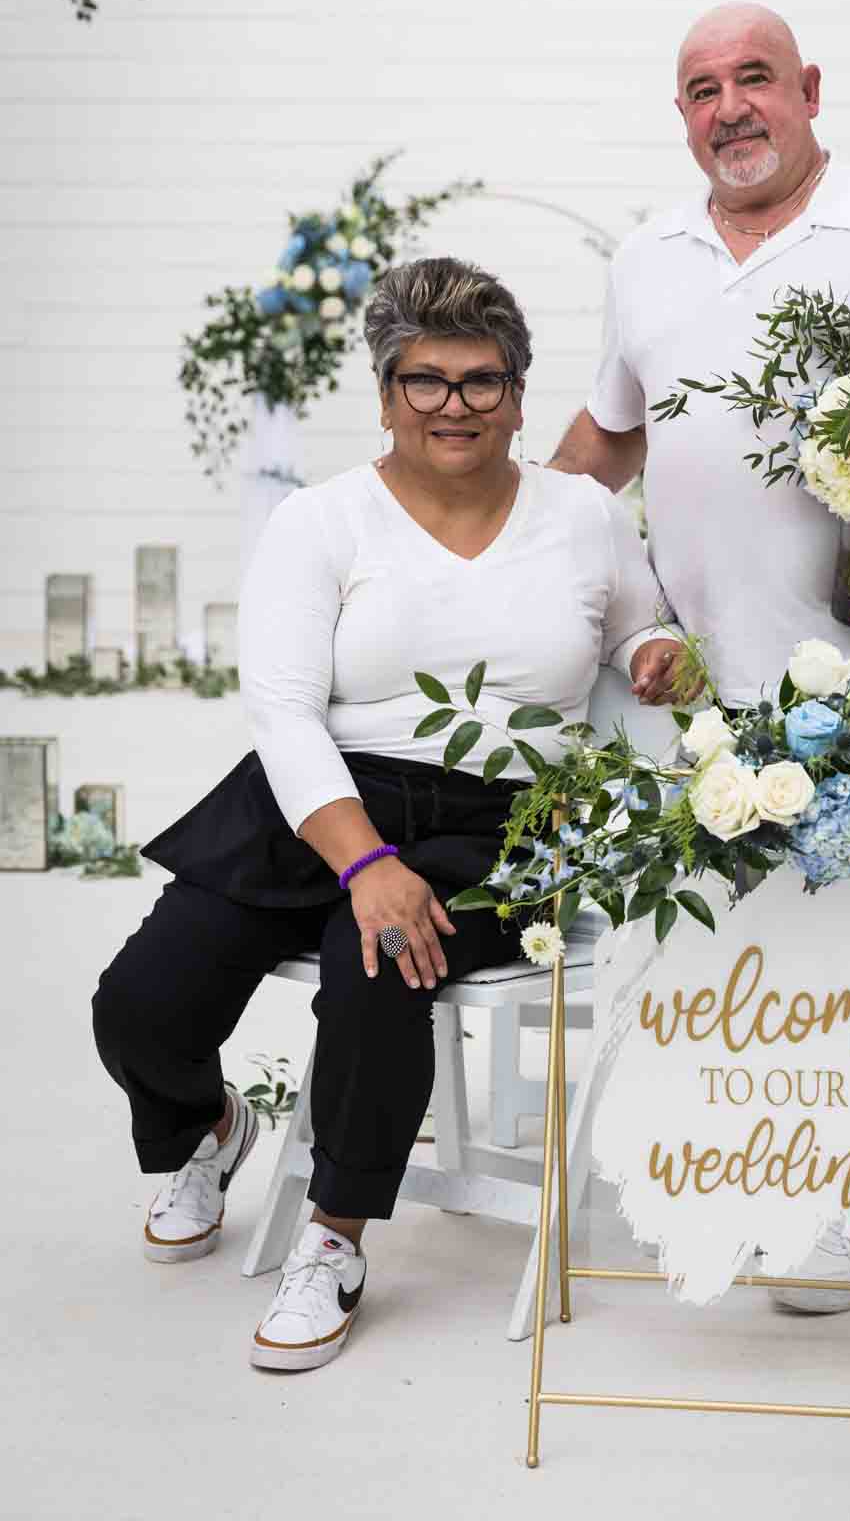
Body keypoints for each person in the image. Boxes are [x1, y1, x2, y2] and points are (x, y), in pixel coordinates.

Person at [93, 256, 686, 1373]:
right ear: (385, 394)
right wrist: (366, 861)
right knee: (140, 1004)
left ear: (517, 391)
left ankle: (336, 1238)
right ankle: (209, 1130)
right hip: (321, 799)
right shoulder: (323, 521)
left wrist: (657, 653)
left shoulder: (583, 515)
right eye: (426, 380)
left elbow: (638, 627)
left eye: (481, 380)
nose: (454, 406)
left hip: (502, 821)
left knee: (376, 972)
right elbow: (280, 706)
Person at [550, 1, 850, 1314]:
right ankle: (772, 1177)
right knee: (749, 967)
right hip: (705, 698)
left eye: (753, 78)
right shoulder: (649, 257)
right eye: (702, 90)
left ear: (809, 88)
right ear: (683, 117)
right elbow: (603, 450)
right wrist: (517, 554)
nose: (730, 109)